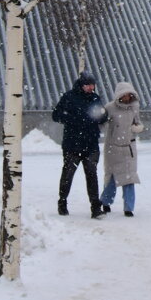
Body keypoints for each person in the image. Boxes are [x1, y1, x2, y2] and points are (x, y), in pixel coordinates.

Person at [52, 71, 108, 218]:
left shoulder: (95, 98)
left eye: (92, 85)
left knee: (92, 175)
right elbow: (56, 115)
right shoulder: (69, 97)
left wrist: (102, 115)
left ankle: (95, 207)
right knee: (68, 174)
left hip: (91, 143)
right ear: (81, 85)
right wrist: (74, 119)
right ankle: (62, 202)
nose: (91, 88)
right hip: (72, 143)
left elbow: (102, 116)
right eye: (88, 85)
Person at [100, 81, 145, 216]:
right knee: (112, 179)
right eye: (124, 95)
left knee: (129, 178)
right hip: (113, 148)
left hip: (129, 148)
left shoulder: (134, 107)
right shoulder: (110, 108)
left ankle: (128, 208)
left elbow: (137, 121)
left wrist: (138, 127)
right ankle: (105, 202)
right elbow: (101, 123)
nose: (126, 97)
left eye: (129, 94)